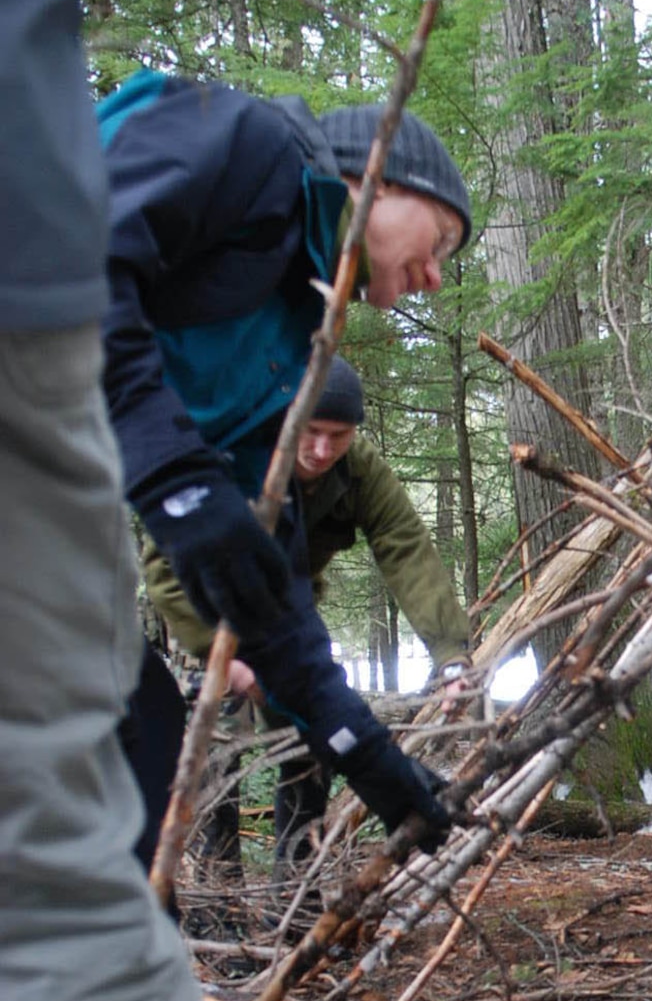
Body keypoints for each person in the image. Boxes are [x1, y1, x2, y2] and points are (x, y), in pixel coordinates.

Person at [0, 0, 264, 1001]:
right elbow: (176, 492)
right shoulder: (242, 163)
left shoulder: (292, 348)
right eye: (435, 245)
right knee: (56, 828)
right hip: (24, 294)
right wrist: (176, 512)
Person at [102, 73, 471, 878]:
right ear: (380, 175)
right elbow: (64, 250)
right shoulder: (249, 145)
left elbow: (265, 582)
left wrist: (367, 755)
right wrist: (177, 482)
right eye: (439, 241)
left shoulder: (282, 344)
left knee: (141, 741)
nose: (435, 276)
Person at [143, 356, 474, 879]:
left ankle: (293, 895)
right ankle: (219, 898)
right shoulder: (230, 455)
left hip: (290, 626)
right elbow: (164, 569)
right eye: (311, 432)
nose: (322, 451)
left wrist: (451, 655)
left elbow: (405, 545)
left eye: (337, 435)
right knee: (218, 756)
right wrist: (225, 659)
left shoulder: (357, 467)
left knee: (311, 746)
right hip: (213, 619)